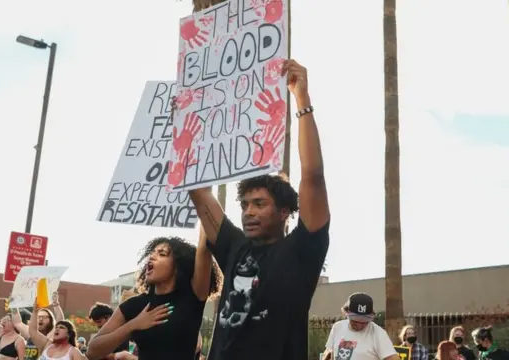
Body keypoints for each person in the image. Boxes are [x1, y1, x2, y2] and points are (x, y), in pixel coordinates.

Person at [187, 59, 330, 360]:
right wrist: (186, 119)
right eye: (245, 204)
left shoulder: (303, 250)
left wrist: (302, 99)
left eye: (260, 204)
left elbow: (313, 178)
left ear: (284, 212)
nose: (248, 212)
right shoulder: (234, 247)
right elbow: (199, 194)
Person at [86, 236, 221, 360]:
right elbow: (92, 351)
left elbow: (204, 247)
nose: (152, 257)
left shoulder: (192, 297)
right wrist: (133, 325)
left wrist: (202, 210)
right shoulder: (134, 305)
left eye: (162, 254)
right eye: (152, 253)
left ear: (178, 266)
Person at [322, 293, 398, 360]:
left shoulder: (378, 334)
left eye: (364, 322)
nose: (359, 325)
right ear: (346, 313)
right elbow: (328, 352)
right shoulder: (337, 327)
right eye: (355, 321)